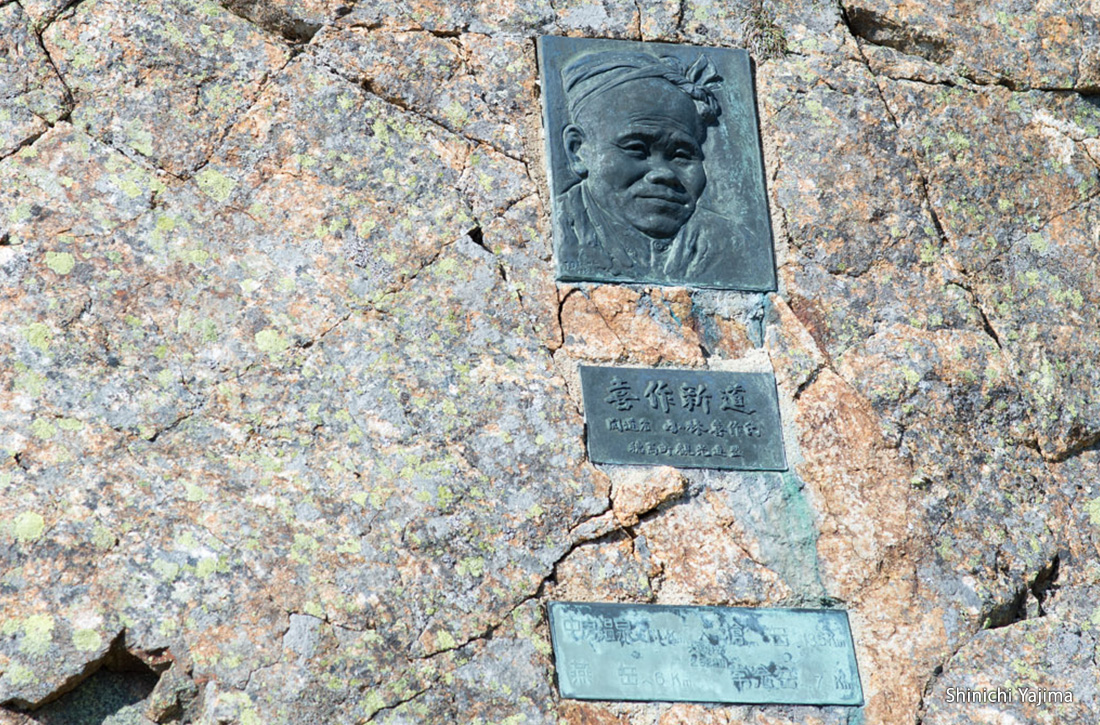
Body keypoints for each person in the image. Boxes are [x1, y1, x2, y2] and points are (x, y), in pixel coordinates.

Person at [556, 50, 747, 286]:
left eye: (681, 154)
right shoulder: (555, 232)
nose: (663, 173)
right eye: (637, 149)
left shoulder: (733, 244)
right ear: (577, 151)